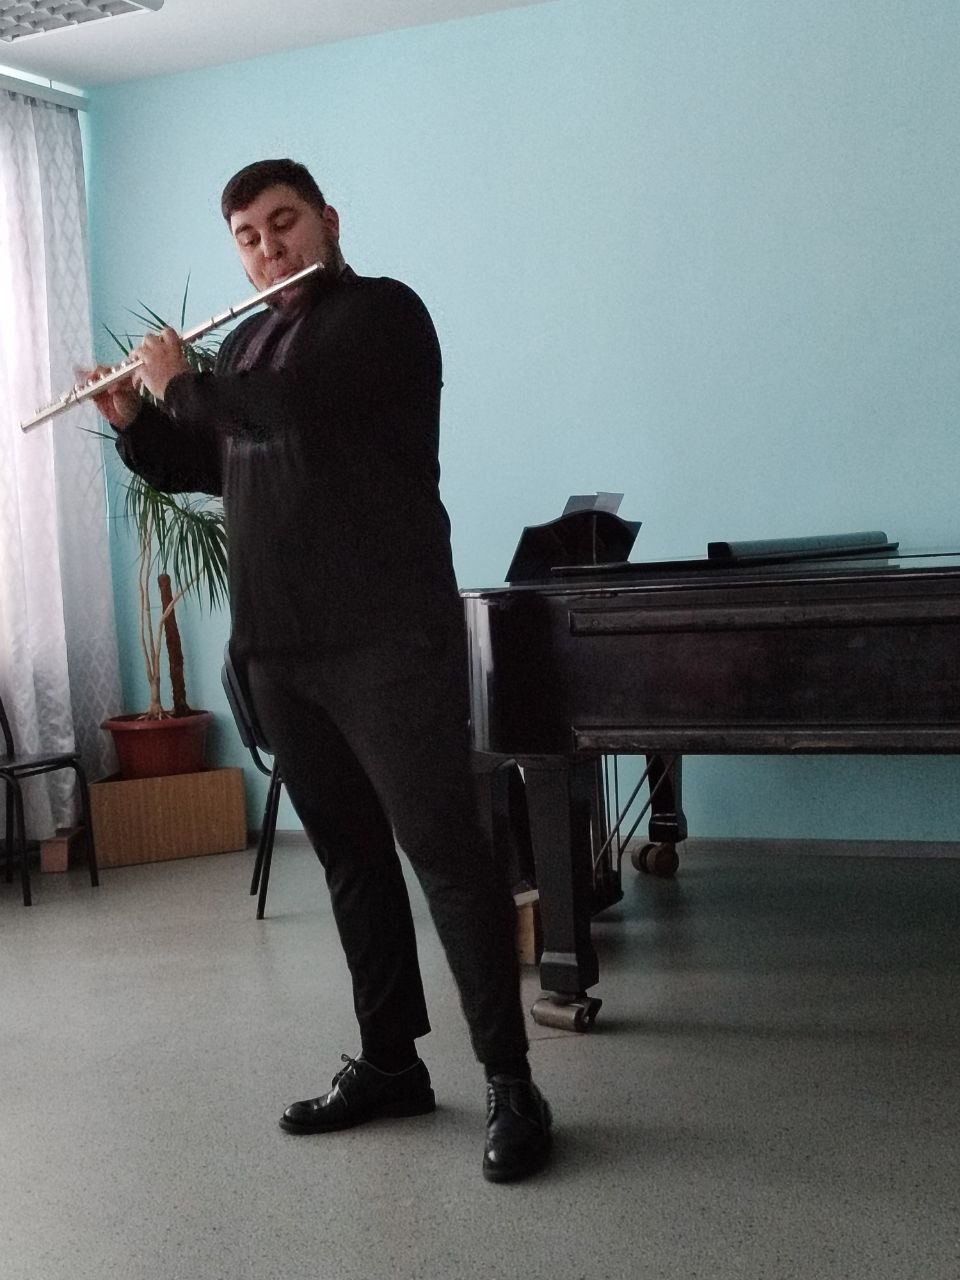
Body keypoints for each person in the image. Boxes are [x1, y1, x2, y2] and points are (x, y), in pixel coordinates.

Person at [91, 158, 552, 1183]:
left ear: (327, 219)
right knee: (348, 856)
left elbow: (288, 410)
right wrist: (137, 423)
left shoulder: (382, 316)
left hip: (386, 640)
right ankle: (392, 1062)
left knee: (445, 852)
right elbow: (210, 461)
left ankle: (513, 1082)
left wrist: (183, 382)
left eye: (283, 222)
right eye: (249, 237)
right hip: (280, 647)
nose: (269, 249)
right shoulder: (246, 343)